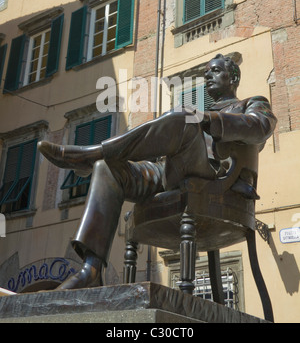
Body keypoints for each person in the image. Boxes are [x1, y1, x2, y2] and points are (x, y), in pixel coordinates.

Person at [38, 54, 277, 290]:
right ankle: (91, 270)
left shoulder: (252, 103)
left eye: (214, 71)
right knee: (108, 169)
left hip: (212, 178)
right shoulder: (196, 113)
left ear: (233, 77)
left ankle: (93, 154)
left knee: (185, 115)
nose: (207, 77)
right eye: (205, 73)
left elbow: (261, 126)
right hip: (170, 171)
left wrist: (209, 119)